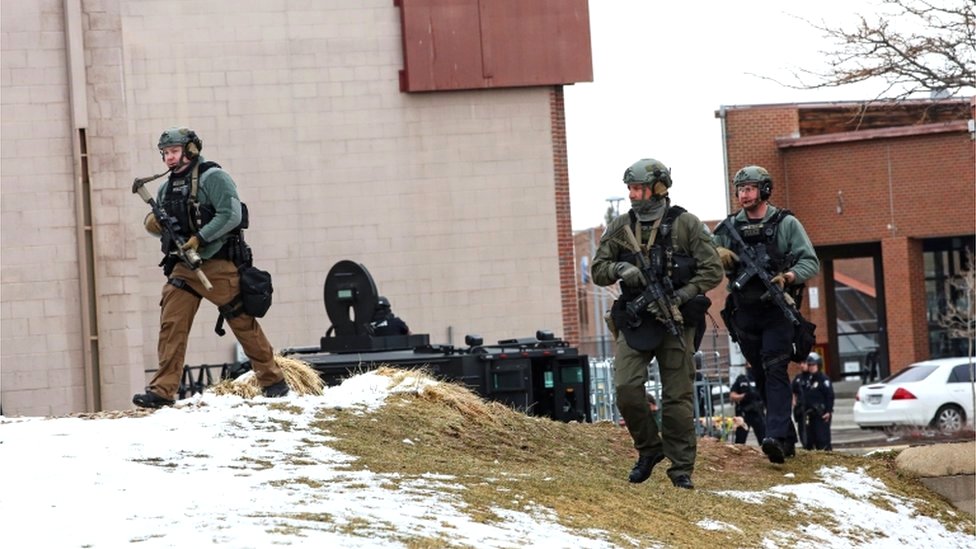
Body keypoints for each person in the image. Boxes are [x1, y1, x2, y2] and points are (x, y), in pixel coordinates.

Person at [592, 158, 723, 490]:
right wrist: (621, 270)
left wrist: (681, 296)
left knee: (676, 398)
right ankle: (650, 449)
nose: (633, 195)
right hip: (636, 319)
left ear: (659, 187)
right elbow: (598, 269)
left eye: (638, 188)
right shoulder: (621, 226)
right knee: (625, 387)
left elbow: (712, 270)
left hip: (677, 320)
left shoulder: (687, 224)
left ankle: (681, 469)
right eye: (630, 189)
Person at [133, 127, 287, 408]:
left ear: (191, 150)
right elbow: (164, 225)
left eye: (175, 151)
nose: (169, 158)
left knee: (241, 321)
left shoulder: (213, 178)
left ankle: (273, 380)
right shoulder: (165, 188)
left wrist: (200, 238)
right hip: (183, 268)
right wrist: (155, 224)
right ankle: (163, 390)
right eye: (165, 153)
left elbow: (231, 214)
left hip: (217, 263)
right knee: (171, 325)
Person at [712, 165, 820, 463]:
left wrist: (788, 277)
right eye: (740, 190)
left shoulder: (785, 223)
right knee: (760, 374)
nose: (744, 195)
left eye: (749, 189)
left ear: (764, 190)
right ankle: (785, 437)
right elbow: (704, 257)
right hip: (744, 314)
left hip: (776, 311)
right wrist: (718, 255)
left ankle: (772, 437)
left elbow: (810, 262)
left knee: (775, 368)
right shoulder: (728, 228)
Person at [794, 352, 834, 450]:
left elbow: (830, 396)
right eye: (810, 365)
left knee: (823, 441)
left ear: (818, 365)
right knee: (808, 441)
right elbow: (796, 392)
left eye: (813, 365)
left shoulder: (823, 379)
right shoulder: (807, 379)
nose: (811, 367)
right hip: (808, 415)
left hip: (820, 414)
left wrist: (828, 411)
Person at [730, 364, 766, 445]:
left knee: (763, 439)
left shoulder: (761, 379)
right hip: (744, 414)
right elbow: (732, 395)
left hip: (758, 413)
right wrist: (744, 396)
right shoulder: (741, 379)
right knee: (740, 441)